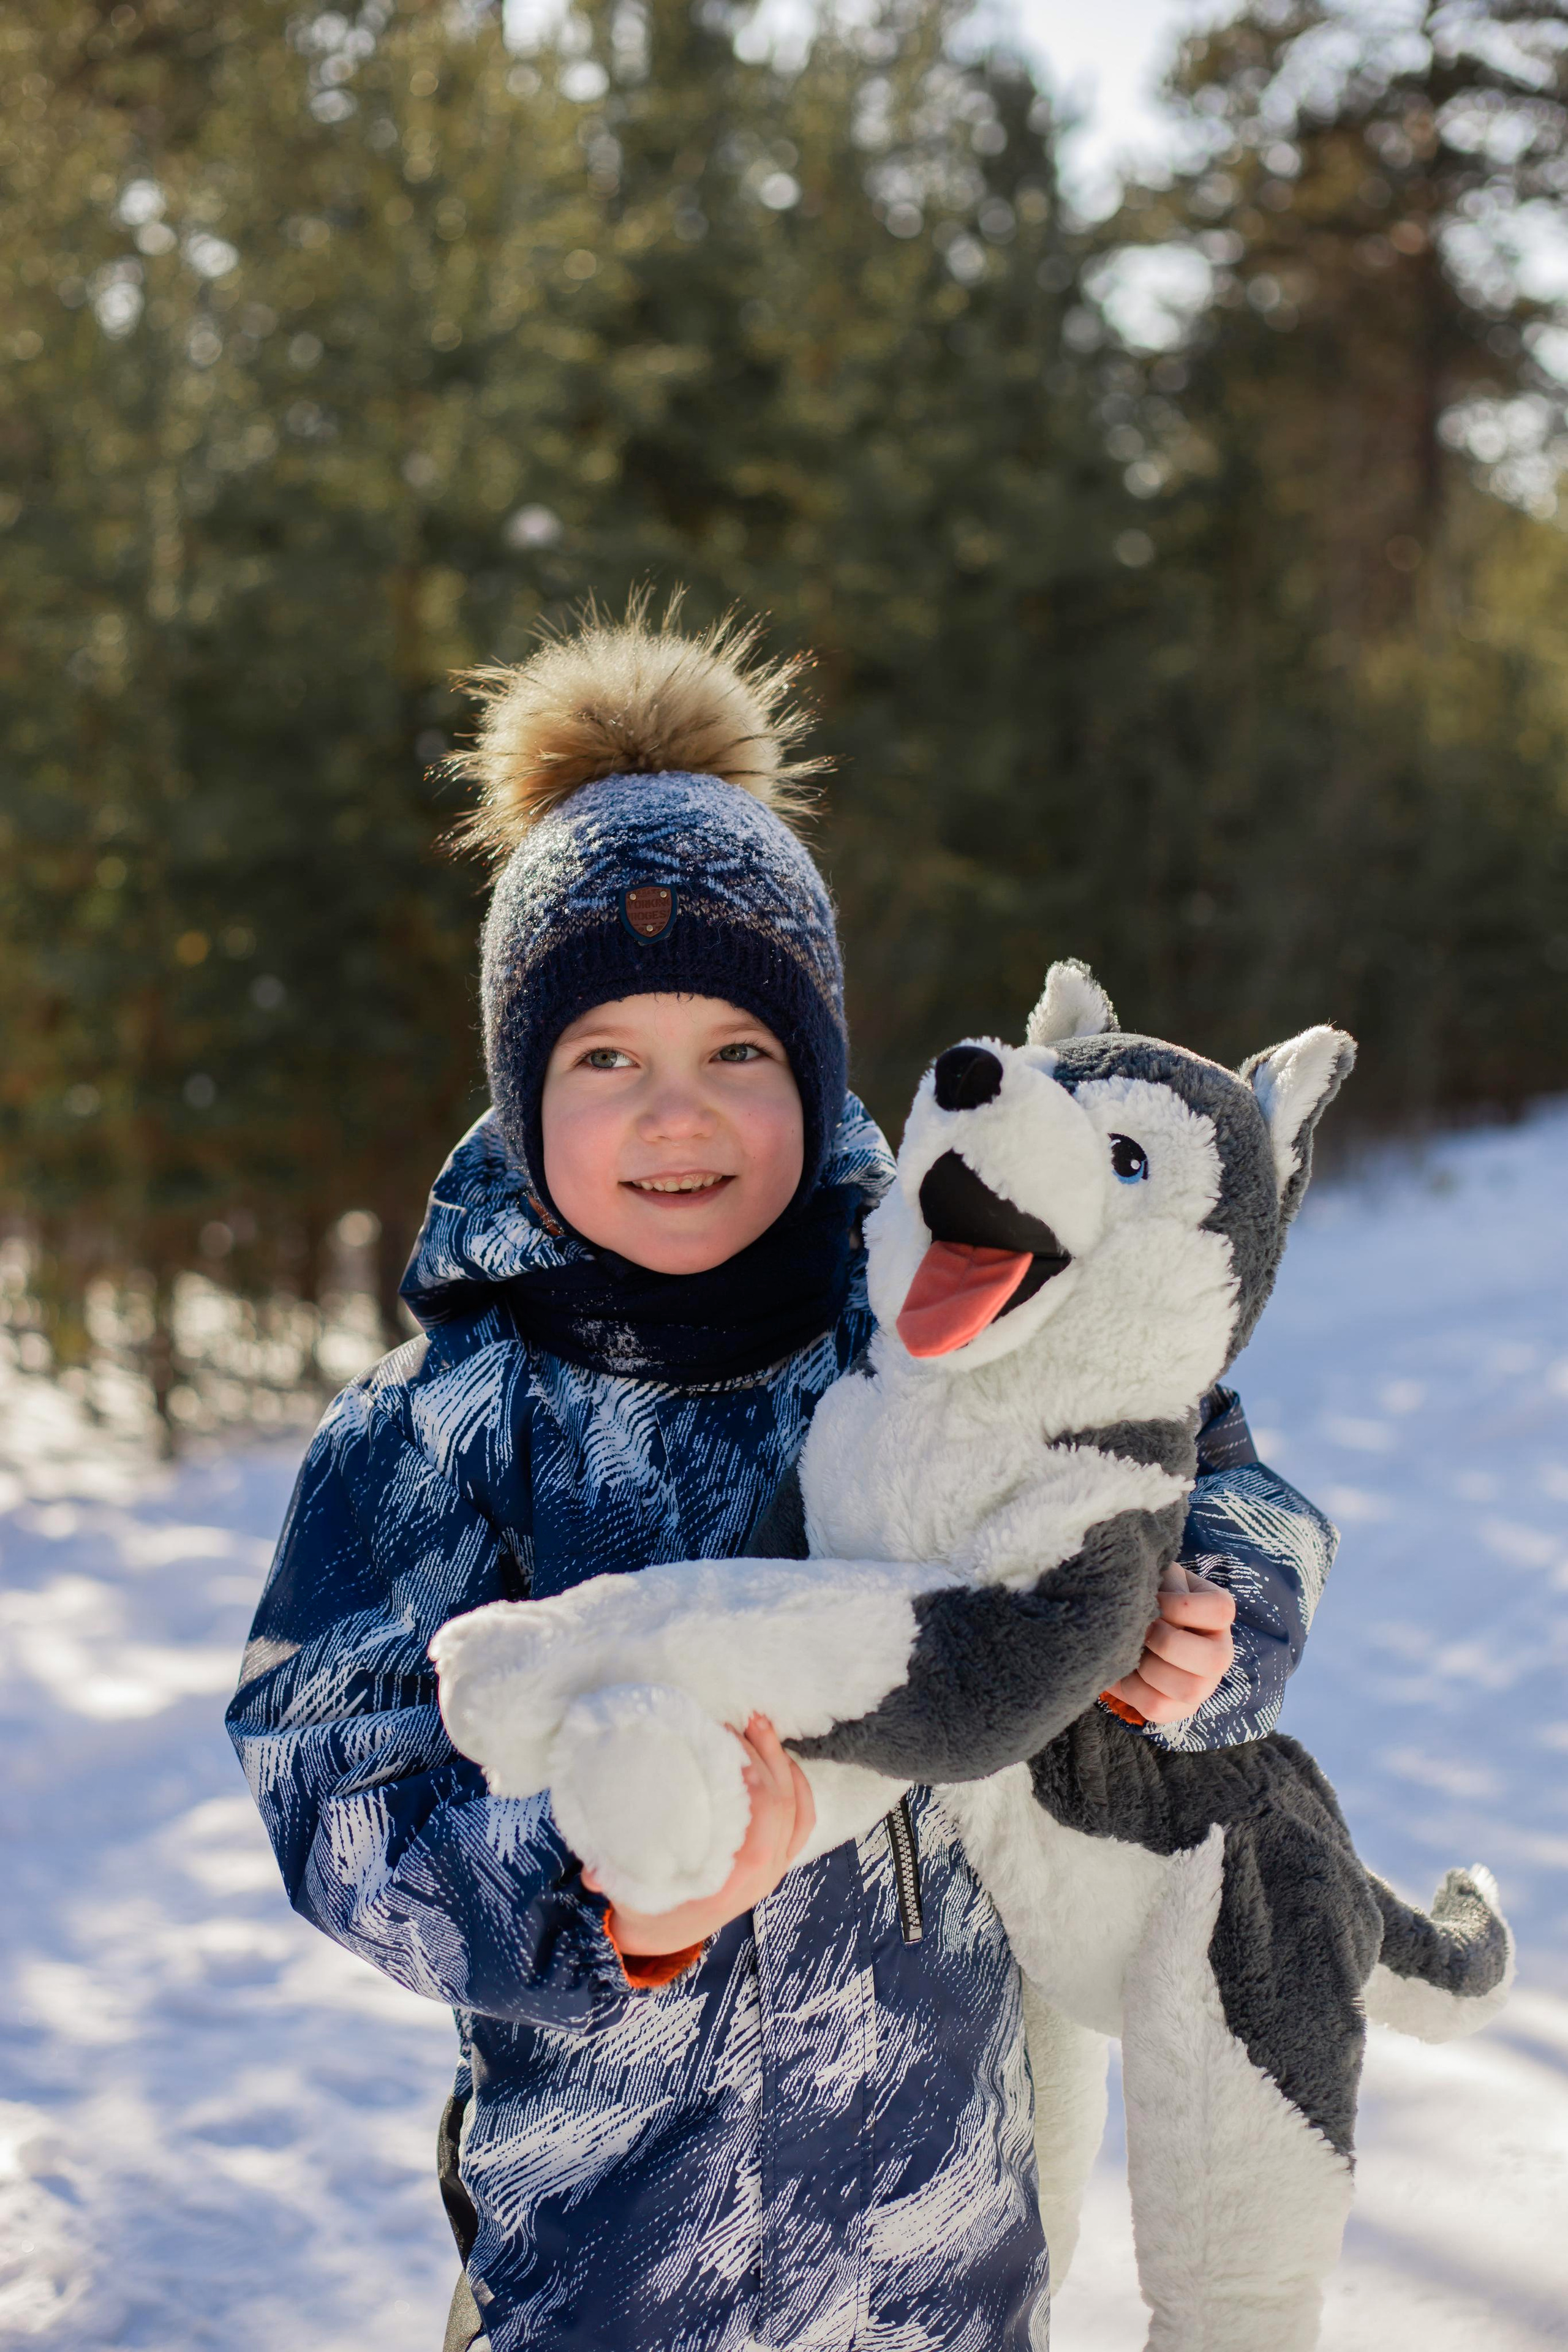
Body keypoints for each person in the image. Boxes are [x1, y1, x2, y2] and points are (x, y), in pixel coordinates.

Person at [226, 605, 1338, 2352]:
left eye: (738, 1054)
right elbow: (329, 1768)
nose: (679, 1119)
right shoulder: (447, 1419)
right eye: (608, 1063)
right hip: (603, 2251)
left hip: (943, 2239)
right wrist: (601, 1896)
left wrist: (1231, 1609)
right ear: (523, 1092)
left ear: (816, 1075)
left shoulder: (951, 1320)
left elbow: (1211, 1459)